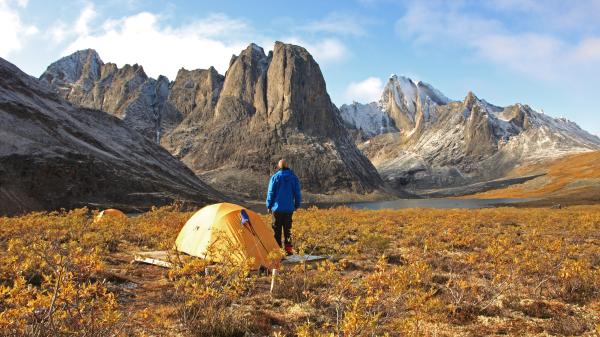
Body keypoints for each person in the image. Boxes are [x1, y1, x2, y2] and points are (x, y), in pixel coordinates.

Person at [266, 159, 301, 255]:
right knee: (288, 230)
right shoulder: (293, 178)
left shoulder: (275, 177)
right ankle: (288, 251)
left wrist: (269, 205)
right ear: (287, 166)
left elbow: (271, 193)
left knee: (276, 231)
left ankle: (278, 251)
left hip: (277, 209)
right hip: (289, 209)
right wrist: (297, 205)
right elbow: (297, 193)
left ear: (279, 166)